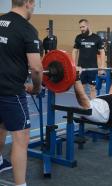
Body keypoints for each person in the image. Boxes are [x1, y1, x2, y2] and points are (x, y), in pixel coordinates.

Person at [0, 0, 43, 185]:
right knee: (21, 137)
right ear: (29, 3)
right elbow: (36, 68)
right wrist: (37, 87)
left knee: (1, 127)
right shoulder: (27, 29)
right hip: (11, 92)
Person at [72, 19, 106, 99]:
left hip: (93, 68)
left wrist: (101, 67)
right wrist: (74, 65)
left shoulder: (96, 38)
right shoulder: (79, 37)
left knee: (93, 88)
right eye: (80, 27)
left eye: (83, 26)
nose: (82, 29)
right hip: (81, 68)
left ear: (88, 26)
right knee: (81, 89)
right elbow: (74, 51)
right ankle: (84, 107)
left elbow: (102, 52)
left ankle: (92, 107)